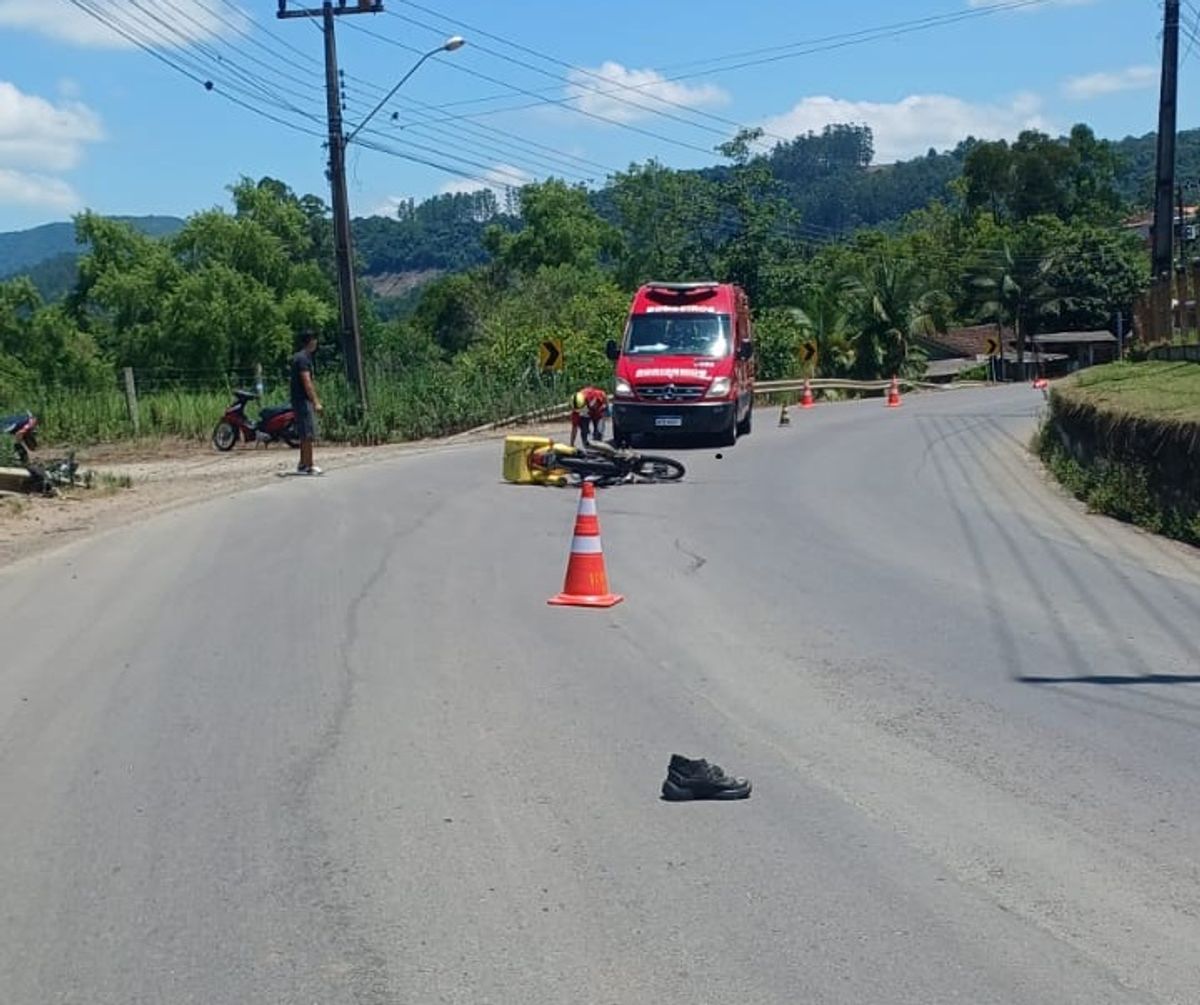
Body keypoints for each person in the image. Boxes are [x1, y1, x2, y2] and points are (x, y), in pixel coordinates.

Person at [289, 330, 323, 475]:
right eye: (315, 339)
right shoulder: (303, 359)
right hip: (303, 401)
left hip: (298, 400)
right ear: (310, 341)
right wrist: (316, 402)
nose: (316, 343)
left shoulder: (299, 357)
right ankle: (309, 465)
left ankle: (303, 463)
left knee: (304, 434)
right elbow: (307, 381)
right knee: (308, 433)